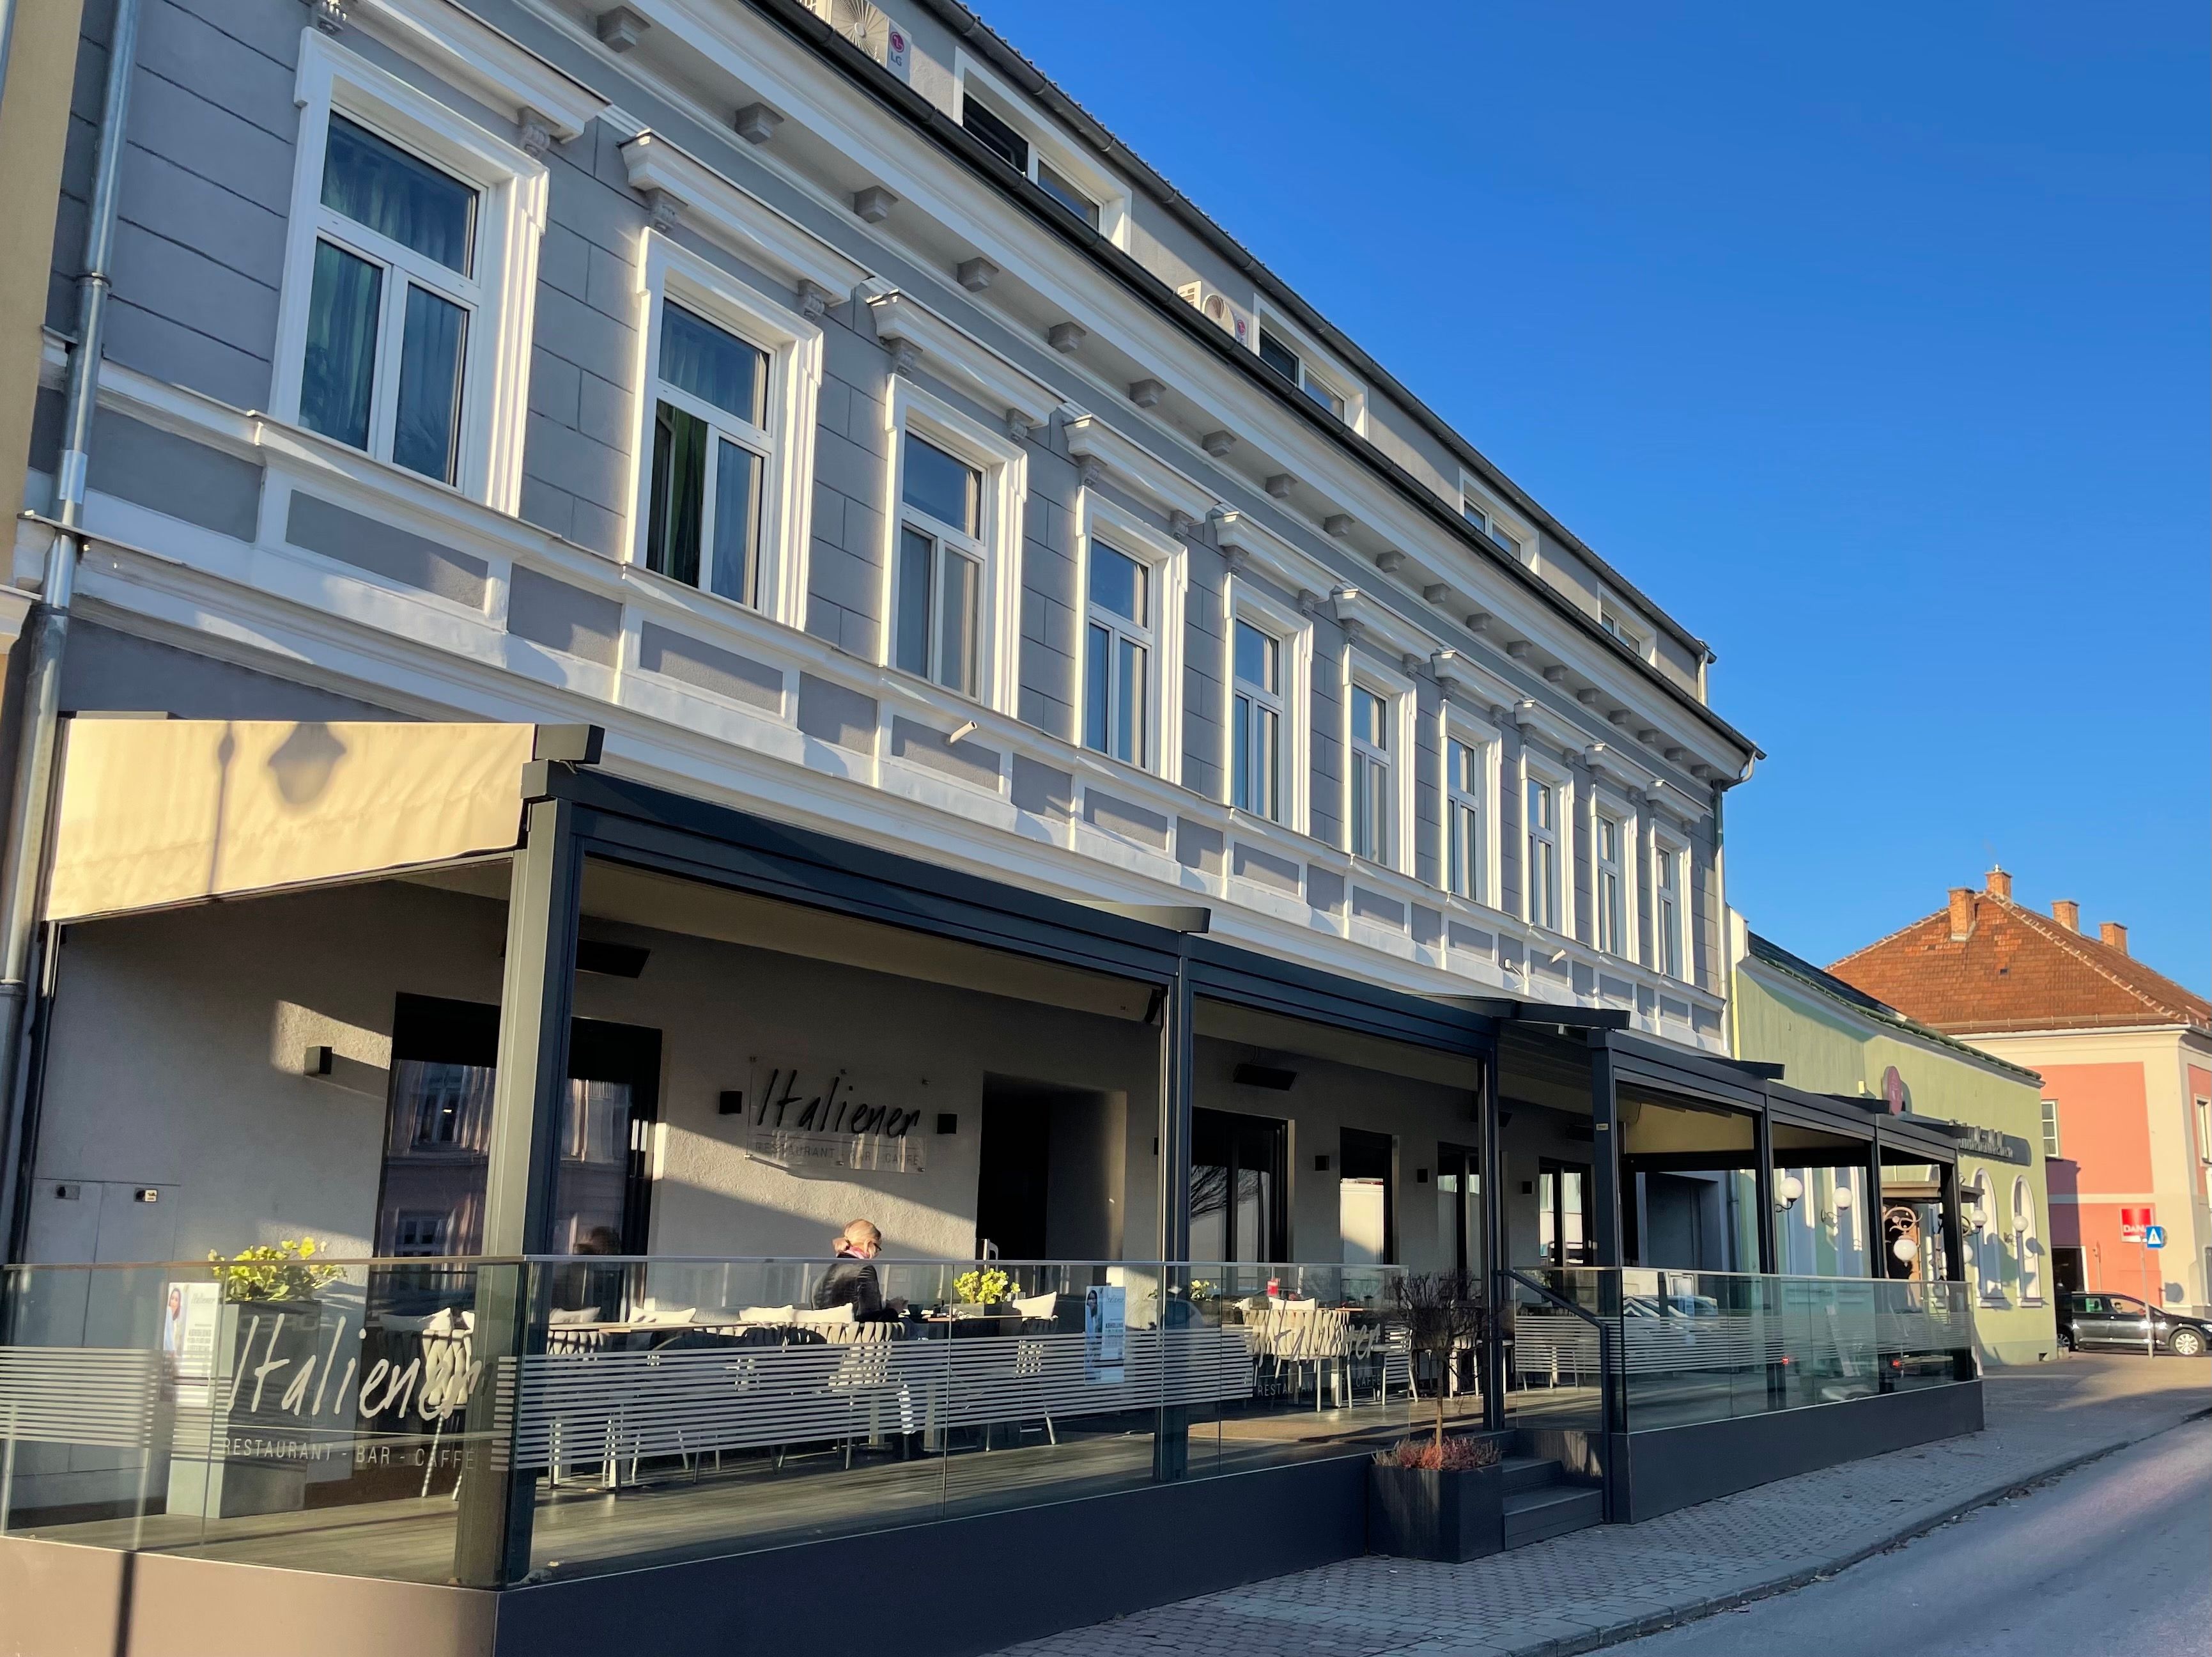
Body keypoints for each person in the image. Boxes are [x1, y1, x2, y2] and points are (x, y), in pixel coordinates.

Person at [813, 1218, 886, 1320]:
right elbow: (872, 1319)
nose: (876, 1254)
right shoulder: (864, 1269)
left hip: (827, 1334)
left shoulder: (826, 1273)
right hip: (852, 1334)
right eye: (877, 1248)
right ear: (869, 1244)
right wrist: (894, 1310)